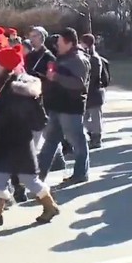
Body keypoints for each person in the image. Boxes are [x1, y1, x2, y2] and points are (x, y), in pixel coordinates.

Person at [0, 45, 59, 226]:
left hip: (17, 142)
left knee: (29, 179)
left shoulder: (15, 90)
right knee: (0, 176)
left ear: (5, 67)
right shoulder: (6, 84)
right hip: (9, 141)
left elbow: (11, 118)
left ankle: (50, 206)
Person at [40, 28, 91, 186]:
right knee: (50, 141)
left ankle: (81, 173)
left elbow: (78, 83)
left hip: (71, 107)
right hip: (57, 105)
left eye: (60, 41)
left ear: (69, 43)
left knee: (77, 141)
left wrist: (56, 77)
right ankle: (38, 176)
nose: (57, 44)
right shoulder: (62, 57)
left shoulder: (78, 59)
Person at [24, 26, 55, 152]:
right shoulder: (29, 56)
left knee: (43, 127)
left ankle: (53, 156)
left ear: (42, 37)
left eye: (34, 36)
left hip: (44, 95)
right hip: (29, 95)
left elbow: (52, 77)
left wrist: (39, 77)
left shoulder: (49, 57)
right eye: (30, 36)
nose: (31, 39)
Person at [80, 34, 110, 149]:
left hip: (94, 92)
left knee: (95, 117)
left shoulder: (94, 58)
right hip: (90, 92)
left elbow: (94, 77)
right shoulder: (89, 56)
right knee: (85, 118)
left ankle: (96, 138)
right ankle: (93, 135)